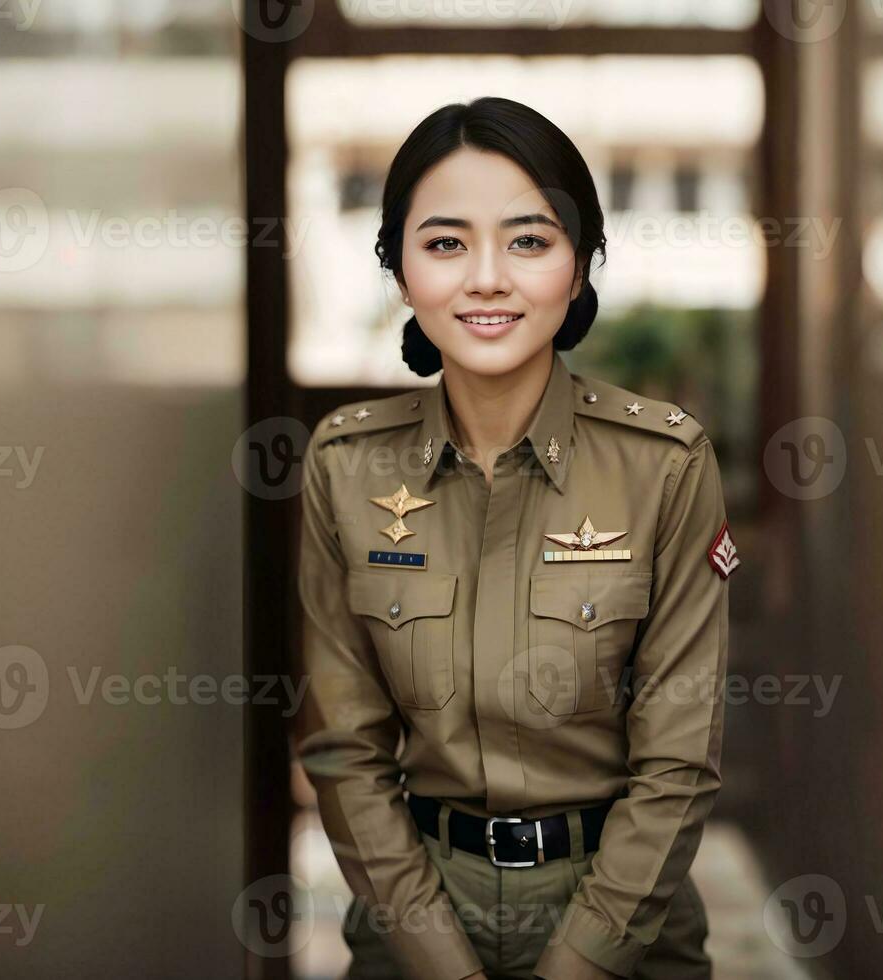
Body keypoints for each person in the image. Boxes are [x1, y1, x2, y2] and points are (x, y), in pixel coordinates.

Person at [293, 96, 739, 980]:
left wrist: (579, 964)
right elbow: (346, 751)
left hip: (624, 924)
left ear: (578, 270)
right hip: (412, 916)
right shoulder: (347, 465)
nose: (487, 278)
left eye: (529, 241)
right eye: (446, 242)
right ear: (400, 269)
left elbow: (679, 766)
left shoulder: (666, 465)